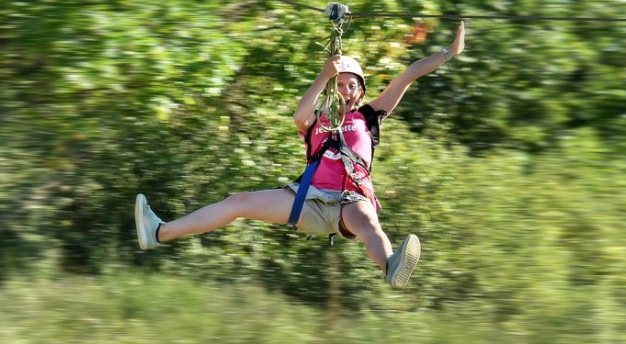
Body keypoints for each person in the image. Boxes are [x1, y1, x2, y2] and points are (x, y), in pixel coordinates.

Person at [135, 21, 466, 288]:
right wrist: (325, 74)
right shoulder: (316, 122)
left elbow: (408, 74)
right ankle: (159, 232)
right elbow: (298, 116)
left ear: (361, 92)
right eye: (340, 84)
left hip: (351, 199)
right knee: (236, 202)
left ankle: (390, 265)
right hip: (308, 199)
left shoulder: (368, 116)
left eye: (352, 85)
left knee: (367, 222)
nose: (345, 90)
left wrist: (448, 53)